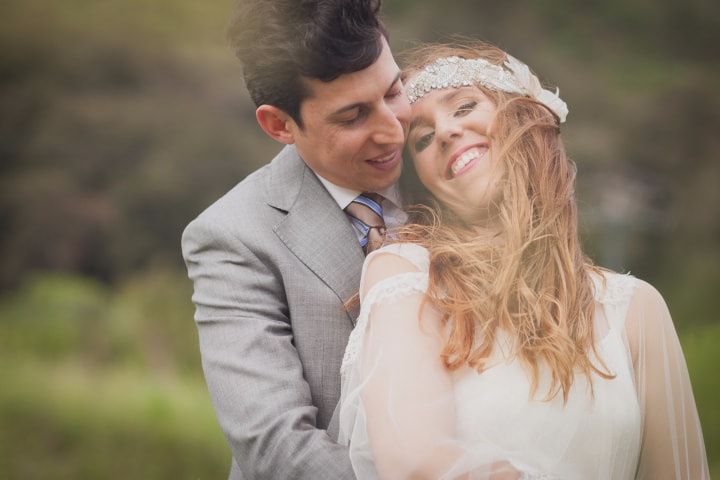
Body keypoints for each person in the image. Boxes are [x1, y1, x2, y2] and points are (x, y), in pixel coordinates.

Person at [335, 42, 709, 479]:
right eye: (421, 138)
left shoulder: (635, 309)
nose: (445, 132)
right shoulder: (408, 276)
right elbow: (416, 463)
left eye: (464, 106)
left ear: (526, 115)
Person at [181, 0, 410, 478]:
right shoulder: (231, 237)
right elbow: (275, 444)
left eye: (393, 92)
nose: (392, 132)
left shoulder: (450, 165)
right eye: (353, 117)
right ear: (279, 125)